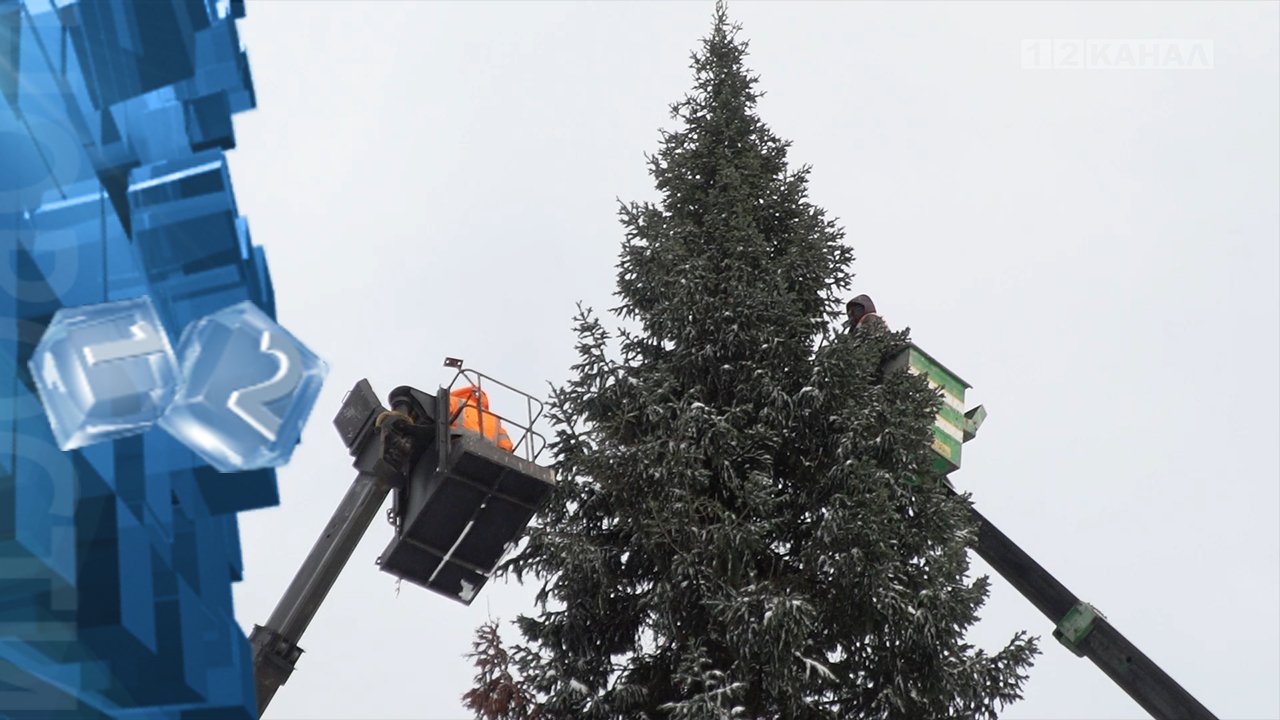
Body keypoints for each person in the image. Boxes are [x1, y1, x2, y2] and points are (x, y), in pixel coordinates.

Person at [449, 385, 514, 452]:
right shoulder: (493, 418)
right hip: (486, 450)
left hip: (455, 441)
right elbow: (506, 445)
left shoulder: (454, 401)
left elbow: (443, 413)